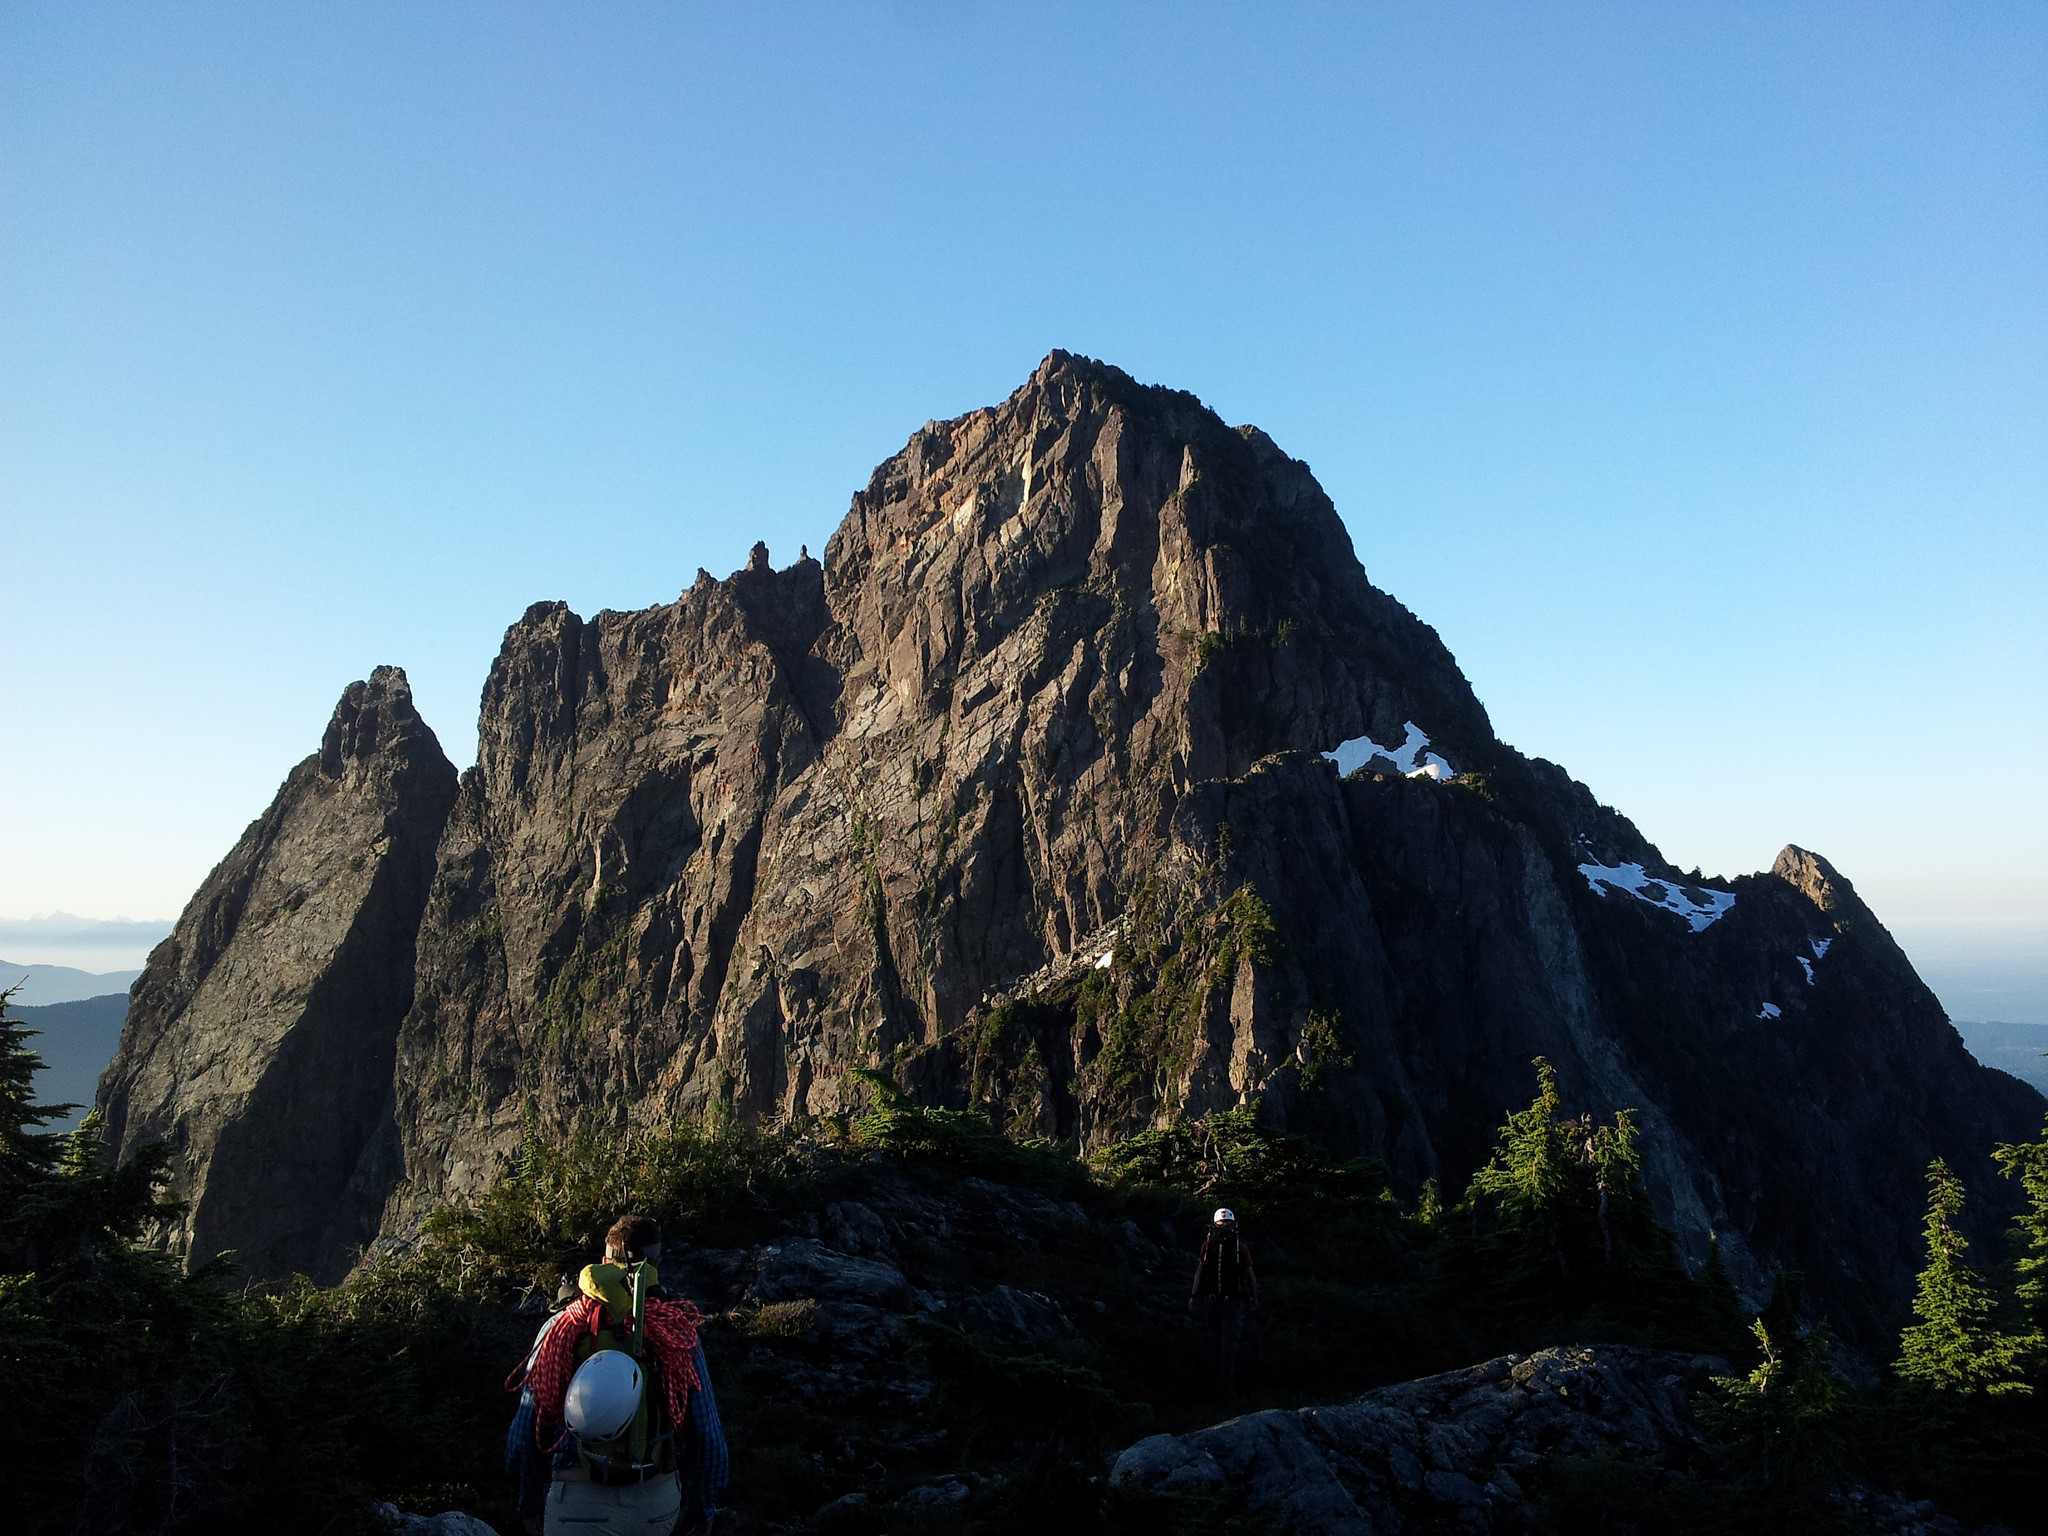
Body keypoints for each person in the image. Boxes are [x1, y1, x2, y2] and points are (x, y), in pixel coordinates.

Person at [507, 1215, 729, 1536]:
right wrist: (702, 1510)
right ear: (656, 1262)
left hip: (575, 1506)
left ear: (603, 1261)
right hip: (653, 1505)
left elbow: (523, 1436)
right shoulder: (675, 1332)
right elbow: (708, 1438)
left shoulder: (560, 1329)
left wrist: (529, 1505)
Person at [1187, 1206, 1258, 1394]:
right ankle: (1225, 1388)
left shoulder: (1207, 1244)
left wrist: (1193, 1297)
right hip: (1232, 1302)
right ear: (1233, 1224)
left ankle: (1209, 1385)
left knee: (1213, 1340)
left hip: (1210, 1301)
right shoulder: (1239, 1246)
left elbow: (1199, 1272)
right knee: (1230, 1344)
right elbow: (1250, 1276)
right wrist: (1254, 1297)